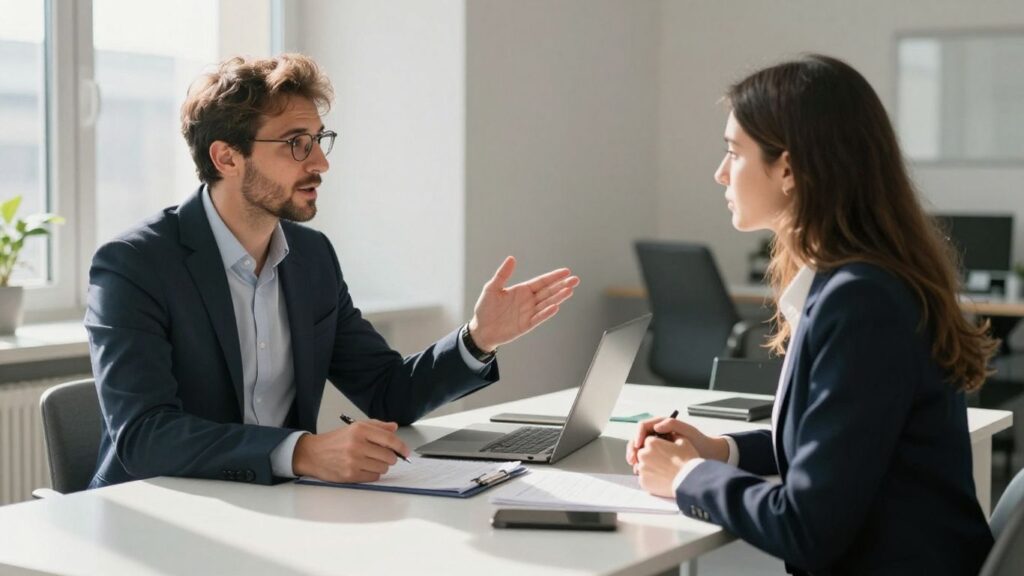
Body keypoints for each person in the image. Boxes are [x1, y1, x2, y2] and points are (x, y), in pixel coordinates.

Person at [85, 53, 579, 488]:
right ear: (227, 157)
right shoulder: (134, 265)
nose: (320, 161)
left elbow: (389, 393)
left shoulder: (311, 257)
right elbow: (145, 435)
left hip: (273, 506)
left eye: (319, 140)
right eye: (297, 143)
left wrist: (478, 338)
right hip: (154, 513)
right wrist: (302, 452)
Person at [626, 54, 997, 575]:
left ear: (789, 168)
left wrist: (687, 476)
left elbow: (807, 528)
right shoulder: (854, 283)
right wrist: (718, 450)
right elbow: (829, 450)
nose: (719, 173)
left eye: (734, 153)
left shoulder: (861, 301)